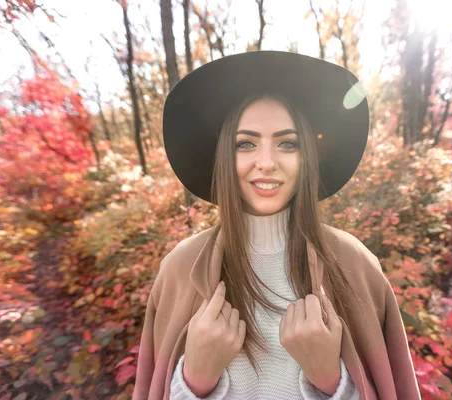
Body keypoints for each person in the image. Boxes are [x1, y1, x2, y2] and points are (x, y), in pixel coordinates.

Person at [133, 51, 421, 400]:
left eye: (287, 143)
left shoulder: (355, 265)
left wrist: (332, 380)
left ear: (307, 158)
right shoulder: (179, 270)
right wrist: (193, 381)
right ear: (224, 154)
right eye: (246, 144)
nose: (266, 162)